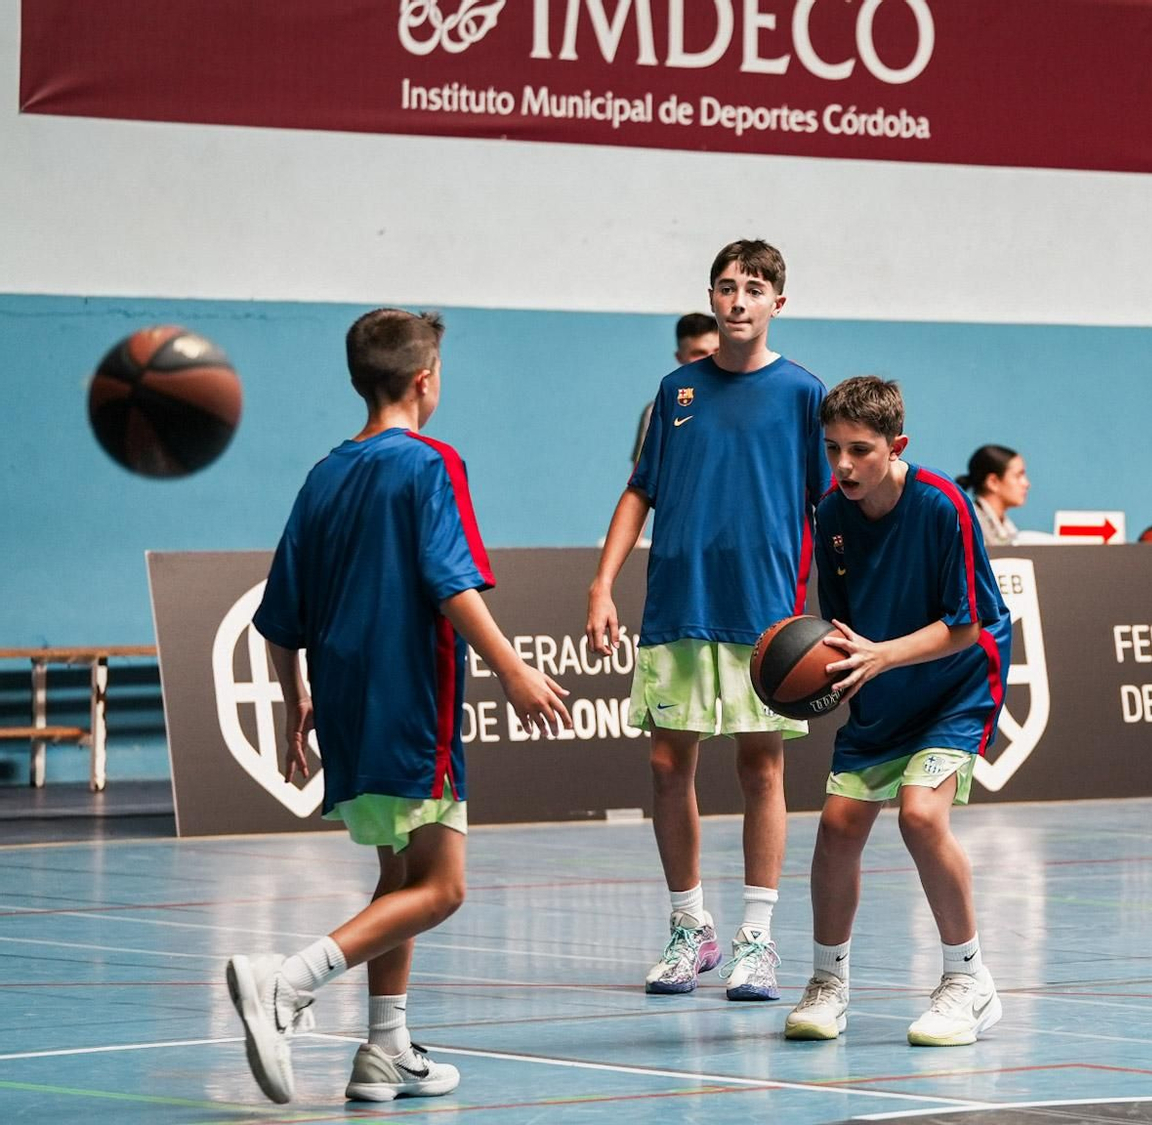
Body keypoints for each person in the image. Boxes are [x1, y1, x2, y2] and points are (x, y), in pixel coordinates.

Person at [226, 308, 572, 1104]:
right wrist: (514, 668)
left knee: (398, 874)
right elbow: (450, 582)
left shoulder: (323, 473)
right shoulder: (429, 464)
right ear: (425, 380)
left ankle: (384, 1049)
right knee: (443, 885)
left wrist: (293, 707)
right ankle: (287, 979)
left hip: (345, 706)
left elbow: (277, 615)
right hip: (413, 702)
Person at [586, 241, 827, 1000]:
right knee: (667, 766)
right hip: (677, 604)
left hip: (764, 616)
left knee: (761, 769)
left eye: (754, 288)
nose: (737, 300)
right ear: (712, 297)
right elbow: (639, 492)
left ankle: (757, 937)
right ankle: (690, 927)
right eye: (726, 287)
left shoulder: (802, 393)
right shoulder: (676, 391)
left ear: (777, 303)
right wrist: (602, 583)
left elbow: (830, 504)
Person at [784, 376, 1010, 1047]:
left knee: (919, 813)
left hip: (956, 686)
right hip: (885, 687)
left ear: (896, 445)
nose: (844, 464)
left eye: (860, 449)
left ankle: (968, 980)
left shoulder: (945, 505)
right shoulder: (831, 514)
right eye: (833, 450)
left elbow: (966, 625)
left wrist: (881, 655)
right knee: (838, 825)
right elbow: (843, 625)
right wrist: (837, 670)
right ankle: (828, 982)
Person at [633, 313, 721, 464]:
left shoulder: (750, 403)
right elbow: (643, 480)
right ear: (680, 357)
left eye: (717, 351)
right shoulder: (660, 410)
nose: (710, 359)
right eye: (699, 353)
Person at [956, 444, 1028, 547]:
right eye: (1018, 476)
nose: (1026, 483)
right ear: (993, 482)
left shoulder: (1007, 526)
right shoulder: (969, 524)